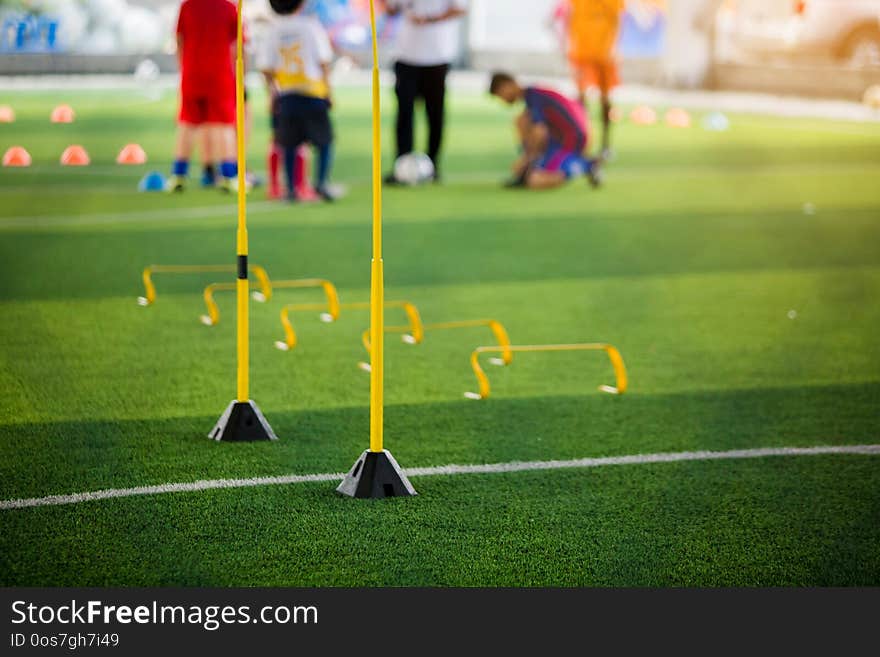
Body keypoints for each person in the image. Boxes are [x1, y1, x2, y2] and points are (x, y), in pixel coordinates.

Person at [257, 0, 336, 202]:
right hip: (312, 92)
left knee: (289, 143)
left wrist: (272, 92)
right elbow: (324, 61)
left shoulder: (272, 30)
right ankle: (321, 182)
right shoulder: (311, 26)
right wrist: (328, 90)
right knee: (324, 141)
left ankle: (291, 188)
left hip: (287, 94)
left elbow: (266, 68)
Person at [384, 0, 468, 184]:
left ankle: (433, 165)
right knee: (404, 114)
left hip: (437, 56)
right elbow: (391, 9)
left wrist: (429, 19)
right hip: (406, 56)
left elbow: (460, 9)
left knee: (435, 114)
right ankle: (402, 165)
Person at [168, 0, 241, 193]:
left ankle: (178, 175)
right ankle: (229, 176)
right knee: (224, 126)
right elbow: (237, 45)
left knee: (187, 124)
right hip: (220, 75)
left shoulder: (188, 6)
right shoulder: (229, 8)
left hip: (191, 73)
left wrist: (183, 67)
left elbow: (179, 40)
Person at [489, 72, 600, 191]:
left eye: (500, 94)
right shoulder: (533, 95)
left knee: (535, 181)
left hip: (571, 141)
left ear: (508, 85)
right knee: (522, 120)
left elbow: (540, 131)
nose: (502, 99)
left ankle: (586, 165)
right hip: (561, 137)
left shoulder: (534, 97)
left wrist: (527, 158)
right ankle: (534, 166)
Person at [550, 0, 624, 161]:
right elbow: (568, 16)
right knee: (581, 101)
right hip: (581, 54)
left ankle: (606, 145)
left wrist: (614, 47)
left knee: (605, 100)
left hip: (604, 54)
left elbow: (617, 19)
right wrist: (566, 46)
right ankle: (582, 144)